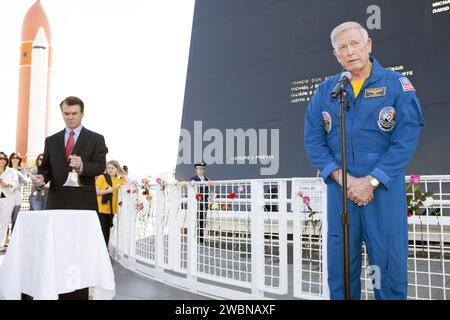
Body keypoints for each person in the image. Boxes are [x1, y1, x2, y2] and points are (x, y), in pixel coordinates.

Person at [304, 22, 424, 300]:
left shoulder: (395, 85)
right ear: (336, 55)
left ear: (368, 45)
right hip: (341, 190)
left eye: (354, 43)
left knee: (388, 267)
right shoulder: (326, 91)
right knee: (341, 269)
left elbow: (406, 138)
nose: (349, 51)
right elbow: (314, 141)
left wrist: (371, 181)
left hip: (382, 189)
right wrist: (346, 181)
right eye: (341, 47)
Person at [31, 96, 108, 300]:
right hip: (57, 201)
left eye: (74, 113)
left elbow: (100, 166)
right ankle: (53, 290)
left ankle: (80, 293)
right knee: (56, 249)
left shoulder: (96, 138)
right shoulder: (52, 140)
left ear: (82, 113)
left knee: (81, 250)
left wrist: (82, 165)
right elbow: (45, 167)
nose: (70, 117)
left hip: (84, 203)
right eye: (66, 113)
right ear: (62, 114)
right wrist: (41, 178)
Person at [95, 160, 130, 247]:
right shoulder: (102, 177)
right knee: (103, 231)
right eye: (108, 168)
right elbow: (96, 192)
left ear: (116, 169)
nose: (110, 170)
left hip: (111, 209)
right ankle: (103, 251)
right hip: (101, 208)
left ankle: (105, 251)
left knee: (108, 231)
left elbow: (129, 183)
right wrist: (107, 191)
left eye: (112, 168)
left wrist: (122, 173)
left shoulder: (118, 180)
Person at [0, 152, 19, 253]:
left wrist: (8, 183)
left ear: (6, 160)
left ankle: (1, 244)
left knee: (3, 222)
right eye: (0, 158)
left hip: (7, 198)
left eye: (3, 159)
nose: (1, 160)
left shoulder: (11, 171)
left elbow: (16, 185)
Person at [8, 152, 31, 231]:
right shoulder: (6, 168)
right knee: (5, 219)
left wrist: (19, 172)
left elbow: (26, 182)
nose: (15, 159)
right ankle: (4, 238)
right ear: (10, 159)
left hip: (17, 196)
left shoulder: (22, 170)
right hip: (5, 196)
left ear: (19, 160)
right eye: (13, 157)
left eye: (17, 158)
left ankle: (12, 239)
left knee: (15, 218)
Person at [190, 162, 209, 244]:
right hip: (197, 203)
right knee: (197, 219)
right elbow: (191, 188)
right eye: (199, 168)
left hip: (204, 202)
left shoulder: (207, 180)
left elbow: (207, 192)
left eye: (202, 168)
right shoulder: (193, 179)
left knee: (203, 219)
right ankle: (197, 237)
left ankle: (201, 238)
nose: (201, 170)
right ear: (196, 169)